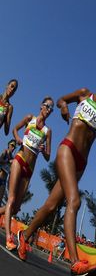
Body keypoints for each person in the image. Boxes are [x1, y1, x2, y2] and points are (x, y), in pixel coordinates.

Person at [16, 70, 96, 276]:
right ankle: (75, 262)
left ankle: (25, 235)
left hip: (81, 163)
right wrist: (65, 107)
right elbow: (60, 100)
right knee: (74, 202)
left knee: (50, 205)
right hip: (68, 148)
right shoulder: (85, 94)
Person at [0, 98, 53, 251]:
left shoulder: (47, 131)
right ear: (41, 106)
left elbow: (49, 156)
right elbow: (15, 129)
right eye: (47, 106)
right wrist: (17, 138)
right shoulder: (30, 118)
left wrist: (44, 150)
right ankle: (9, 238)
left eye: (51, 109)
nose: (49, 110)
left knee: (16, 208)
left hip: (30, 168)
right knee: (11, 198)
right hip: (20, 158)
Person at [0, 139, 17, 247]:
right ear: (8, 145)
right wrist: (7, 162)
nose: (13, 147)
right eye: (12, 145)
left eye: (14, 146)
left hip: (4, 181)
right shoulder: (5, 152)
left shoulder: (13, 158)